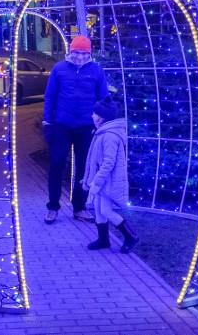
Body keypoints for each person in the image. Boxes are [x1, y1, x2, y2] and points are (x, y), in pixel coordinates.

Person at [42, 35, 108, 224]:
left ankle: (79, 207)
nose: (80, 57)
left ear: (89, 54)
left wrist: (101, 124)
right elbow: (50, 96)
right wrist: (47, 122)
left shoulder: (96, 71)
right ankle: (52, 207)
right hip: (62, 124)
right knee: (56, 163)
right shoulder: (59, 69)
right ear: (71, 52)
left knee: (84, 168)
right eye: (76, 53)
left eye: (84, 54)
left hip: (86, 127)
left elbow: (103, 98)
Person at [82, 95, 139, 253]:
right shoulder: (102, 133)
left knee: (106, 210)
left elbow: (108, 162)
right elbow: (96, 160)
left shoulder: (109, 136)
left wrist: (97, 182)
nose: (92, 115)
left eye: (94, 113)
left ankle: (131, 236)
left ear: (101, 118)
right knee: (99, 209)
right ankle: (103, 239)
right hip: (103, 180)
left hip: (108, 181)